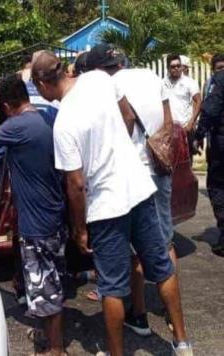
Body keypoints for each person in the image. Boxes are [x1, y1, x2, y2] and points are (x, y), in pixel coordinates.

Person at [30, 50, 192, 356]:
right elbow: (128, 116)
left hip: (107, 206)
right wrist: (121, 151)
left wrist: (79, 230)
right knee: (162, 267)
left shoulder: (63, 123)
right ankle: (182, 343)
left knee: (112, 287)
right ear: (63, 68)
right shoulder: (99, 79)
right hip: (140, 189)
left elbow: (76, 184)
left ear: (41, 83)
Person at [87, 44, 179, 338]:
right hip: (159, 166)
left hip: (131, 177)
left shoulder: (105, 87)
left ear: (98, 69)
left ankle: (138, 315)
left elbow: (113, 129)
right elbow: (169, 121)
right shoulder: (152, 77)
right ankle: (172, 314)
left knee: (131, 252)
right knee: (165, 242)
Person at [0, 74, 66, 356]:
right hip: (51, 213)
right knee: (43, 282)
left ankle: (55, 349)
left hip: (36, 223)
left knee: (46, 286)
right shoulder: (43, 119)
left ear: (7, 104)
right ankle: (44, 334)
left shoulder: (18, 125)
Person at [194, 70, 224, 257]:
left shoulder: (220, 80)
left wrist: (199, 134)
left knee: (218, 186)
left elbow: (210, 110)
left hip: (221, 144)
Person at [164, 54, 201, 158]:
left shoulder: (190, 82)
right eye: (173, 66)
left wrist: (191, 123)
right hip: (169, 130)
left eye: (178, 65)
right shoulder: (162, 83)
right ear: (168, 68)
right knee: (170, 162)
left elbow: (198, 101)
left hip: (185, 129)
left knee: (186, 163)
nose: (176, 68)